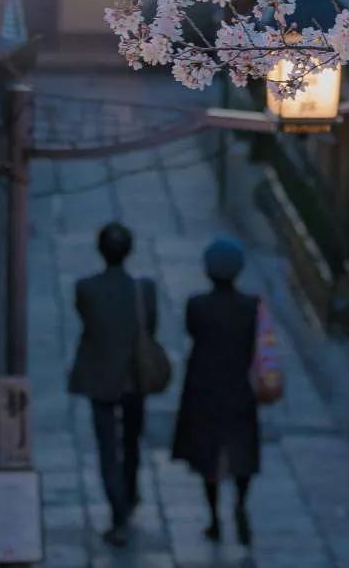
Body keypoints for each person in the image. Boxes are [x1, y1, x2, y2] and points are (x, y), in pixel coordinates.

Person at [68, 222, 157, 548]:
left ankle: (118, 513)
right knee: (131, 442)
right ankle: (129, 495)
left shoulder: (85, 288)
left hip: (101, 376)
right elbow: (152, 325)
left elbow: (87, 320)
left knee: (108, 448)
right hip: (135, 375)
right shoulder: (143, 290)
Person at [172, 238, 260, 545]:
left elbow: (192, 331)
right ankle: (240, 501)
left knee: (208, 454)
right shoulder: (252, 307)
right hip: (239, 386)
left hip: (205, 386)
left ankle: (213, 518)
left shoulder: (197, 305)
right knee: (242, 449)